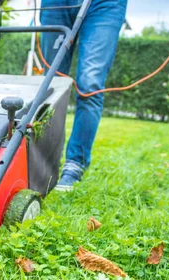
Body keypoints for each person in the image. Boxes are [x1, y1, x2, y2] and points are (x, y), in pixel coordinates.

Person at [40, 0, 128, 191]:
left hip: (105, 4)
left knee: (90, 84)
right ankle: (42, 163)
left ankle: (75, 164)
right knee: (51, 84)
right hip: (56, 3)